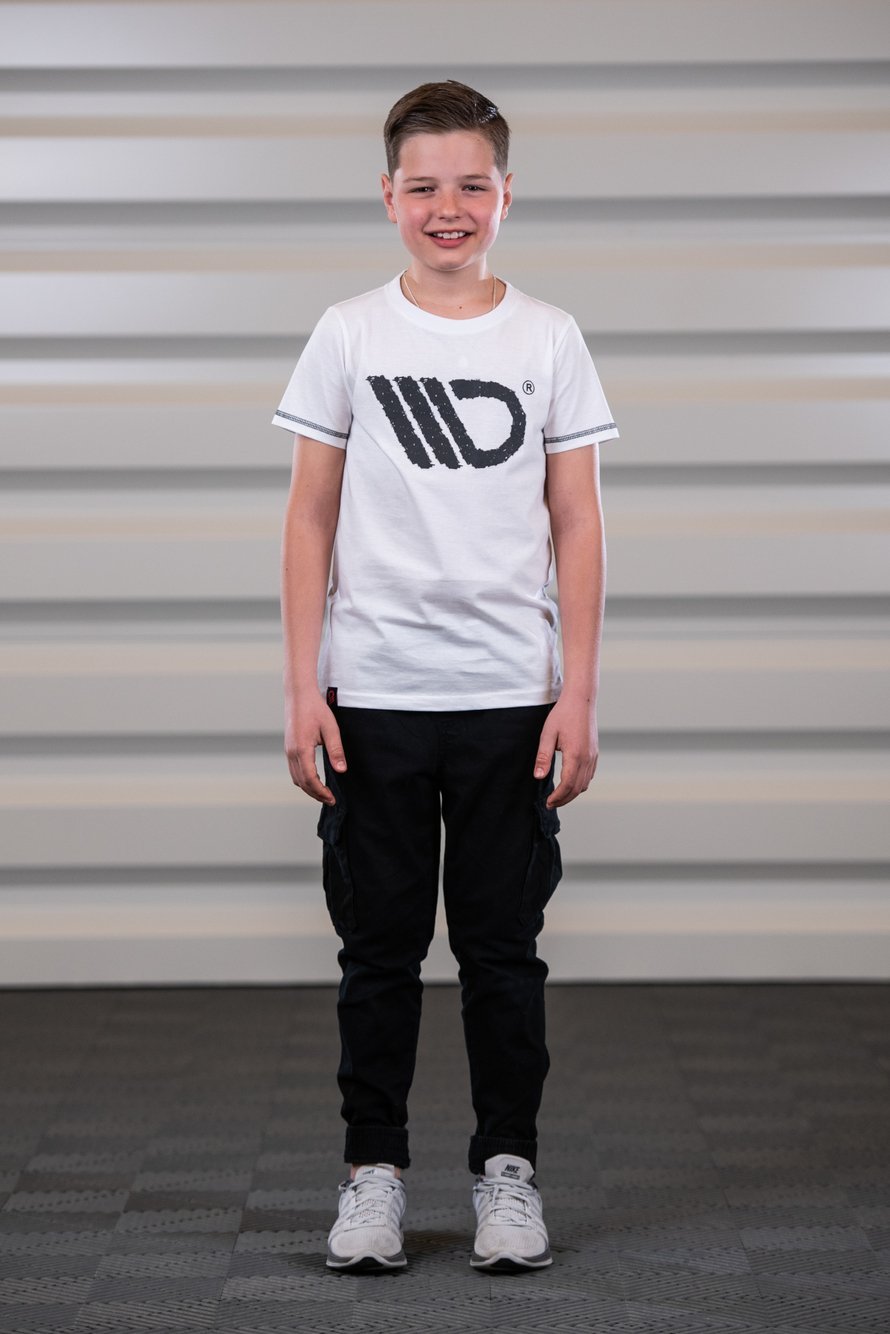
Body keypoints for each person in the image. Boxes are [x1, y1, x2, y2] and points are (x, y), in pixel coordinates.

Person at [273, 79, 619, 1274]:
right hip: (371, 694)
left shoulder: (547, 337)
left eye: (471, 183)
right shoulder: (348, 333)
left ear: (505, 193)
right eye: (423, 185)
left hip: (508, 698)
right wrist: (302, 686)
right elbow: (308, 517)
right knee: (375, 953)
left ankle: (505, 1172)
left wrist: (577, 689)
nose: (447, 206)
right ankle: (370, 1173)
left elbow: (576, 520)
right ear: (387, 196)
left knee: (501, 954)